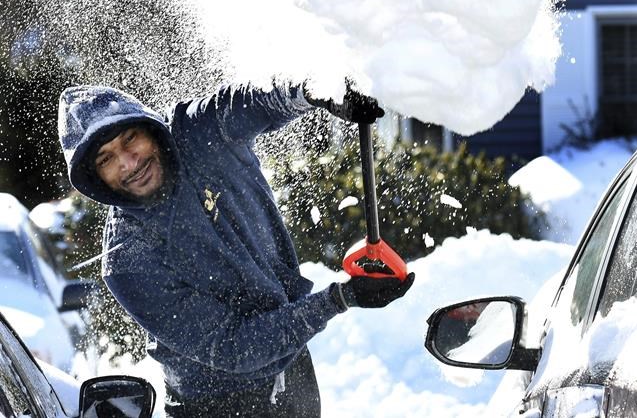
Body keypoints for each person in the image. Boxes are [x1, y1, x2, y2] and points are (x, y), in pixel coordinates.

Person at [58, 82, 414, 417]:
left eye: (130, 138)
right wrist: (340, 298)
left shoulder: (198, 133)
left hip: (292, 369)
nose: (128, 163)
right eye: (106, 159)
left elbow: (252, 101)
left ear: (150, 128)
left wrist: (315, 90)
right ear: (93, 178)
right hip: (214, 403)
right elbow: (233, 346)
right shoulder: (128, 259)